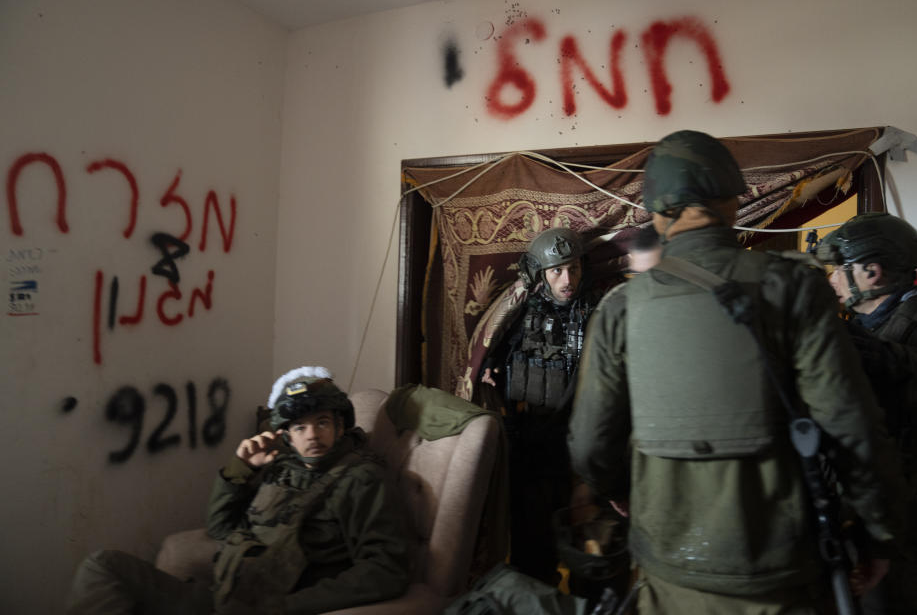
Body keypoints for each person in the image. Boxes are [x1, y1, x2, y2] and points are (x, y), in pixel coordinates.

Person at [568, 130, 903, 613]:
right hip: (779, 571)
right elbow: (852, 427)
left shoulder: (621, 308)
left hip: (669, 570)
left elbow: (589, 446)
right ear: (731, 200)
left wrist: (623, 492)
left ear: (658, 213)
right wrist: (879, 536)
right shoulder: (792, 287)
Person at [66, 370, 409, 615]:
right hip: (221, 598)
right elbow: (220, 529)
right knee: (103, 566)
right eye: (300, 427)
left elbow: (385, 569)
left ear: (339, 425)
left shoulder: (361, 478)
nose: (312, 435)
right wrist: (241, 469)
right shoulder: (283, 466)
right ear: (288, 435)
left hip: (274, 604)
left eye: (322, 422)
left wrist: (287, 607)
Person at [817, 213, 917, 615]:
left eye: (838, 272)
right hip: (872, 514)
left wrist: (882, 356)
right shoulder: (860, 330)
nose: (832, 281)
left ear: (871, 271)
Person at [479, 227, 603, 584]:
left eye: (574, 269)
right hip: (530, 445)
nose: (567, 279)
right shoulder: (520, 314)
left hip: (578, 447)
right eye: (557, 270)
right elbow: (496, 354)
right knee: (532, 555)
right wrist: (493, 371)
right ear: (541, 274)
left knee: (586, 558)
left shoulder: (599, 312)